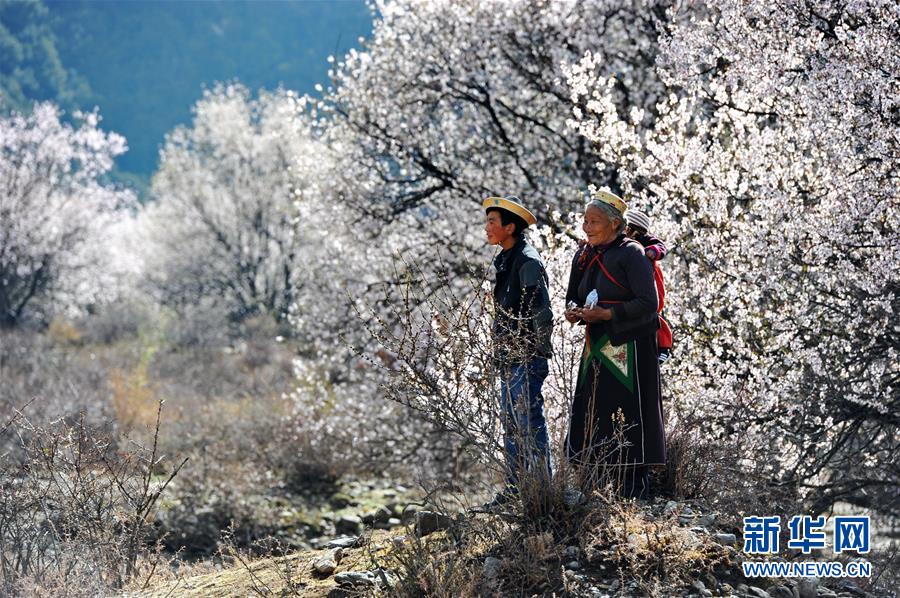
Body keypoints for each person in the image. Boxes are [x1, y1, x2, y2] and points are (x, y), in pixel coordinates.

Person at [564, 190, 665, 500]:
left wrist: (607, 313)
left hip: (630, 345)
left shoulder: (632, 254)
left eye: (594, 221)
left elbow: (649, 303)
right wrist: (574, 312)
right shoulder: (583, 256)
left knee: (626, 413)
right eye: (585, 220)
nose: (587, 227)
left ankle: (632, 491)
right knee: (594, 410)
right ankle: (596, 485)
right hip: (595, 345)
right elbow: (573, 296)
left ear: (615, 224)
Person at [482, 195, 554, 509]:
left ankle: (542, 493)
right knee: (511, 425)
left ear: (510, 227)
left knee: (529, 423)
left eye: (492, 222)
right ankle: (515, 490)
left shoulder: (527, 261)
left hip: (525, 358)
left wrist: (536, 354)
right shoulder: (505, 259)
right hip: (509, 358)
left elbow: (542, 313)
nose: (487, 228)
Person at [624, 209, 673, 363]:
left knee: (654, 313)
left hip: (650, 274)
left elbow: (660, 246)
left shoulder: (644, 240)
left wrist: (653, 251)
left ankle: (664, 346)